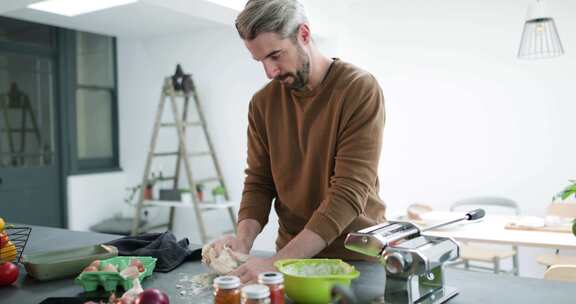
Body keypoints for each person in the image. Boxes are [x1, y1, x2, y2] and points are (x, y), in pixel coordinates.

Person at [211, 0, 386, 283]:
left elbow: (348, 193)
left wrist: (275, 262)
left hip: (355, 260)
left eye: (276, 55)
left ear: (303, 34)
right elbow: (258, 182)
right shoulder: (262, 104)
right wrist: (243, 243)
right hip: (290, 261)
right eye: (261, 61)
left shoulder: (358, 89)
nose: (270, 72)